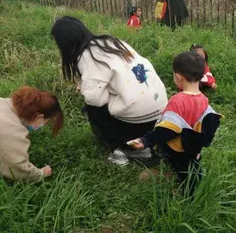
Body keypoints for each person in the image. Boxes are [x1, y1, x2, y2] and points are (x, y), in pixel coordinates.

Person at [51, 16, 168, 166]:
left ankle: (120, 146)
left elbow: (95, 99)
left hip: (138, 115)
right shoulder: (111, 42)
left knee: (92, 107)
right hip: (160, 107)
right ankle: (144, 142)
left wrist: (87, 89)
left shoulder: (87, 56)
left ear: (65, 43)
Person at [128, 51, 222, 195]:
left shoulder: (177, 101)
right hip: (193, 144)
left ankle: (190, 193)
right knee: (192, 163)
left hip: (178, 148)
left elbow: (167, 130)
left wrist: (146, 140)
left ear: (178, 77)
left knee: (184, 169)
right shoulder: (203, 99)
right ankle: (194, 172)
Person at [0, 86, 64, 181]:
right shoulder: (12, 130)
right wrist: (41, 174)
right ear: (39, 118)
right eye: (46, 122)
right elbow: (17, 168)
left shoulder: (3, 102)